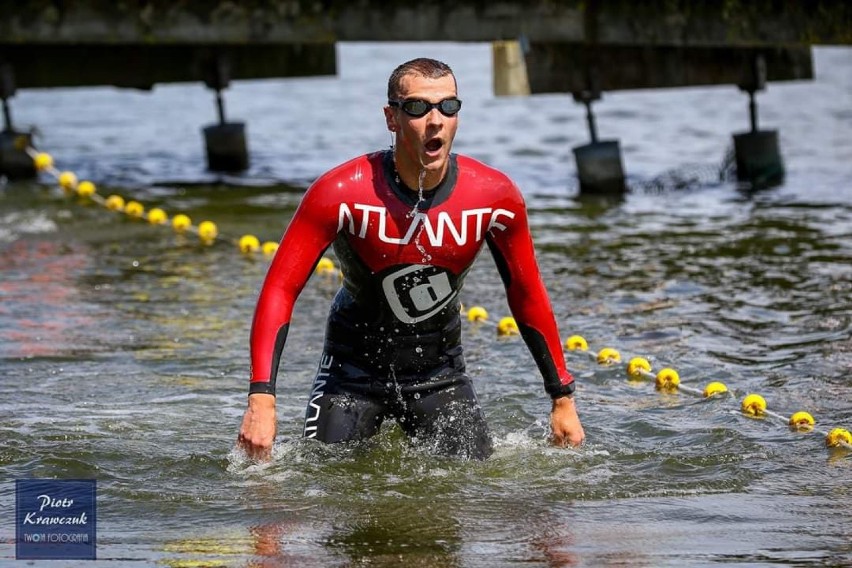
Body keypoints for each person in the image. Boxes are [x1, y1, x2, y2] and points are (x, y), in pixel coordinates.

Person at [237, 57, 584, 461]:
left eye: (448, 107)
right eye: (418, 108)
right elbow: (280, 288)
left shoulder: (495, 197)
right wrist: (262, 399)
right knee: (324, 484)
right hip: (350, 375)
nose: (435, 120)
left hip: (440, 375)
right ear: (392, 117)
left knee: (473, 487)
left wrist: (563, 398)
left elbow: (526, 291)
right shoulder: (339, 193)